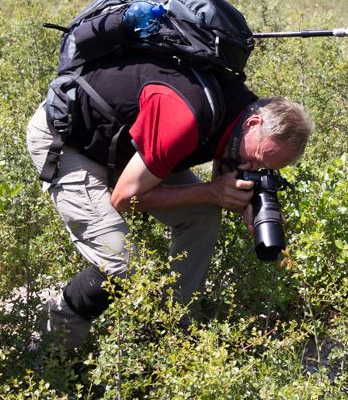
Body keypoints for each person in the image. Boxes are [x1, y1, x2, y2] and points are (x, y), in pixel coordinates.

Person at [27, 54, 312, 351]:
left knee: (202, 214)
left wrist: (245, 203)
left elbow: (224, 150)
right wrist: (213, 191)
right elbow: (125, 198)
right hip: (69, 140)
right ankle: (49, 353)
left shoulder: (242, 111)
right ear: (254, 123)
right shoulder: (186, 117)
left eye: (265, 168)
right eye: (257, 159)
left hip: (122, 146)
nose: (252, 168)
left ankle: (173, 334)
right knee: (119, 265)